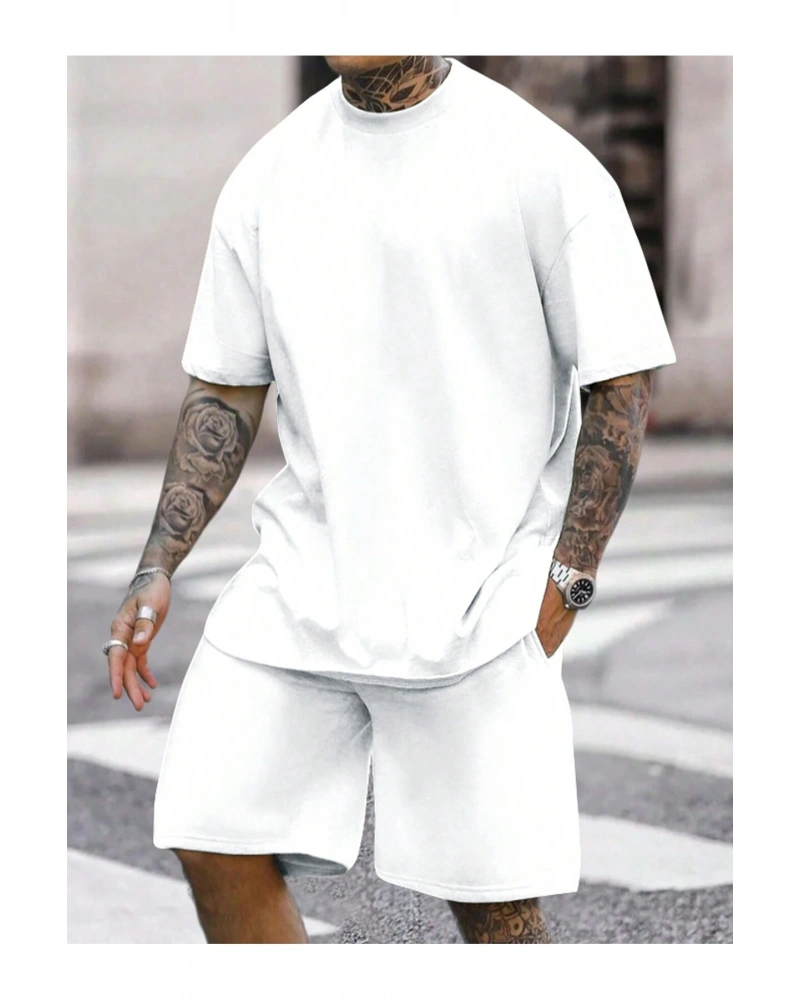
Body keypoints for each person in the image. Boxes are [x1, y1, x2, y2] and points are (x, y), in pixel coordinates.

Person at [104, 55, 676, 944]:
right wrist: (156, 563)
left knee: (496, 912)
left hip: (480, 605)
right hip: (302, 587)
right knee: (208, 831)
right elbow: (225, 388)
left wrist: (570, 577)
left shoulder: (539, 164)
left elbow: (623, 378)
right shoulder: (269, 174)